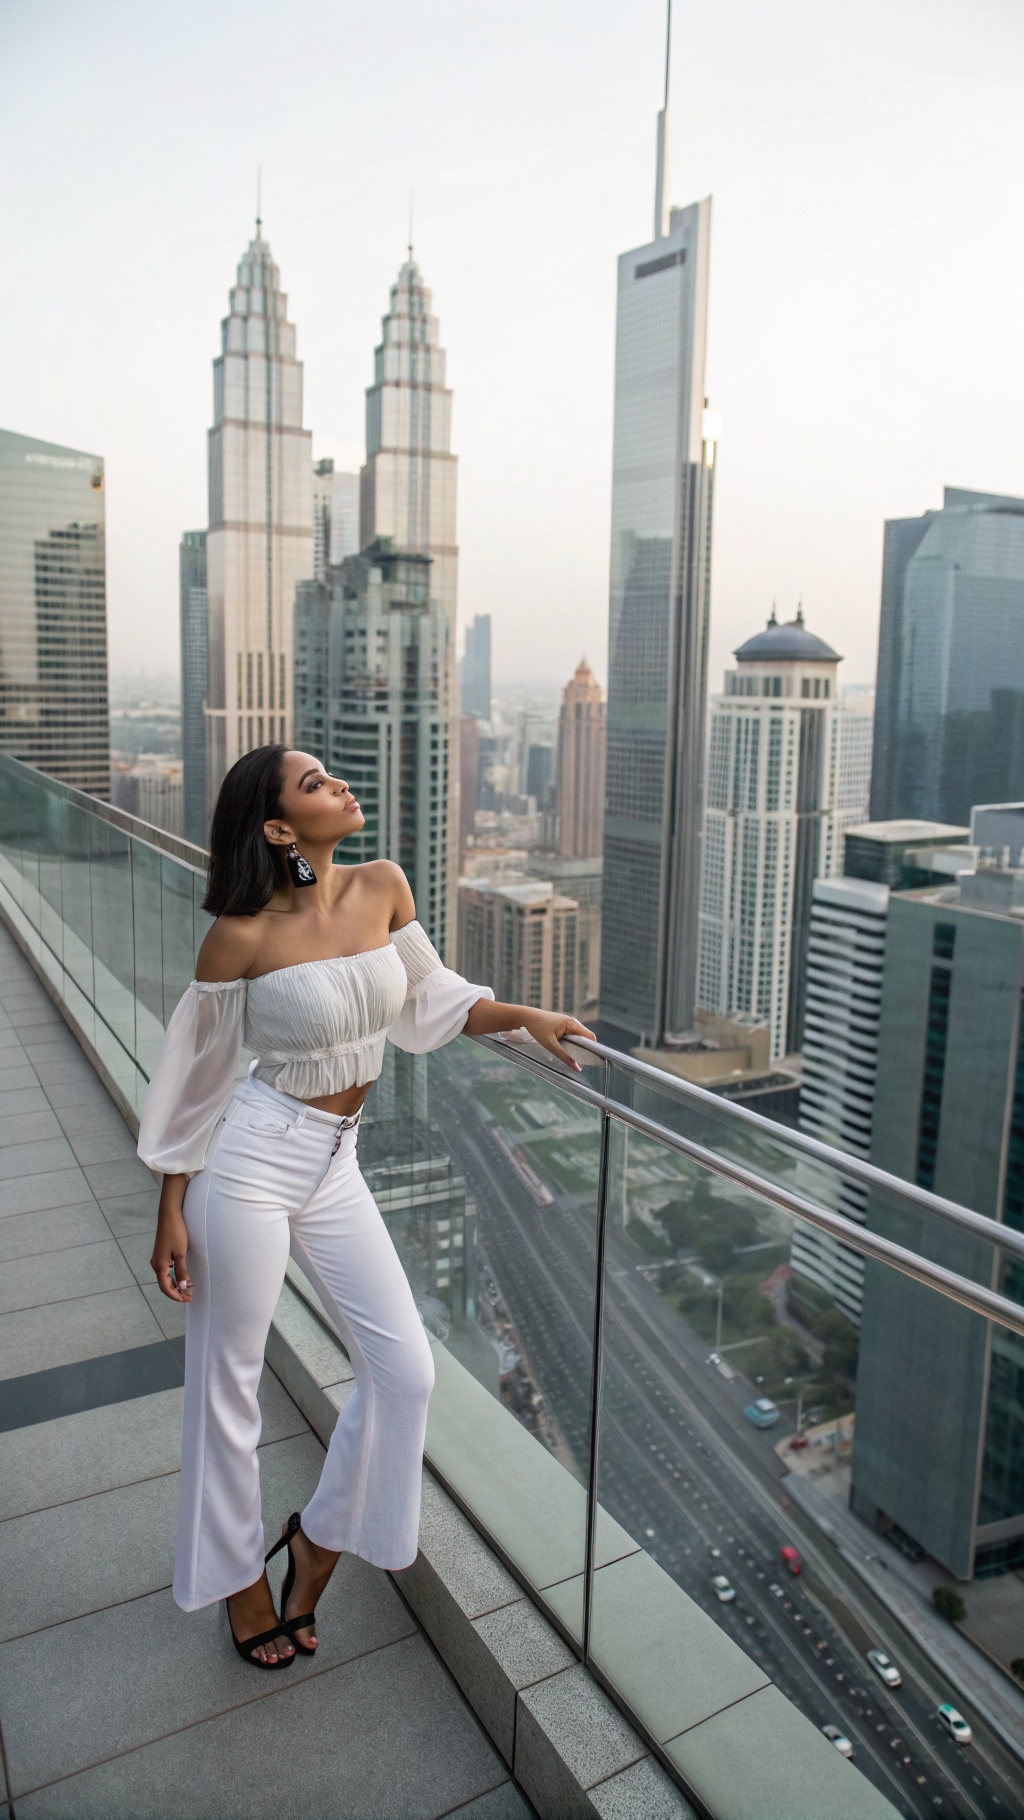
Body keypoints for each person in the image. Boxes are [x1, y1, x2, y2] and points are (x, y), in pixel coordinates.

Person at [140, 745, 593, 1668]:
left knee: (406, 1373)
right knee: (229, 1386)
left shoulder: (382, 885)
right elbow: (196, 1081)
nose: (340, 784)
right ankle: (238, 1582)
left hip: (337, 1162)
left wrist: (525, 1017)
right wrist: (171, 1206)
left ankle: (318, 1541)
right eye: (314, 784)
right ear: (278, 828)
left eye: (331, 774)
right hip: (251, 1162)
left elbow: (435, 1001)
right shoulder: (240, 935)